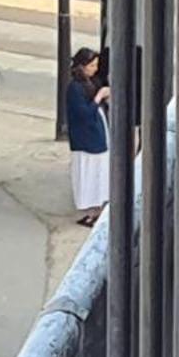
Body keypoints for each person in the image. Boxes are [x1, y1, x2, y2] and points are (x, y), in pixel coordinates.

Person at [67, 48, 110, 226]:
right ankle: (94, 211)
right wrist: (99, 97)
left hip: (94, 135)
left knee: (95, 174)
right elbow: (84, 113)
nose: (95, 68)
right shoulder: (76, 88)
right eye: (91, 65)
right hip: (87, 138)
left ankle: (95, 211)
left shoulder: (88, 83)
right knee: (91, 173)